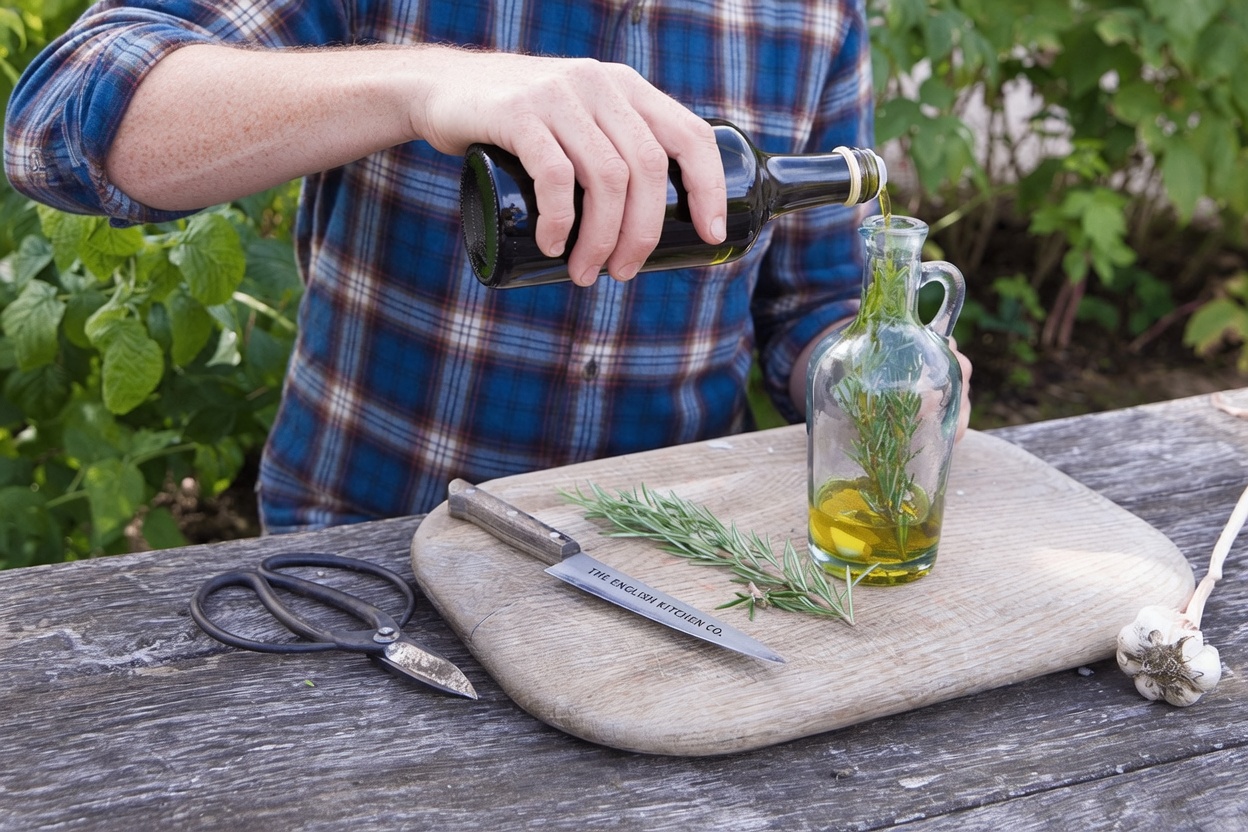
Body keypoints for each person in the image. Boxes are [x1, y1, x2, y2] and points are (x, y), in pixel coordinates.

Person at [5, 0, 971, 532]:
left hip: (673, 551)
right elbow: (61, 123)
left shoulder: (811, 17)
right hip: (376, 547)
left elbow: (816, 304)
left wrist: (872, 377)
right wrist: (423, 81)